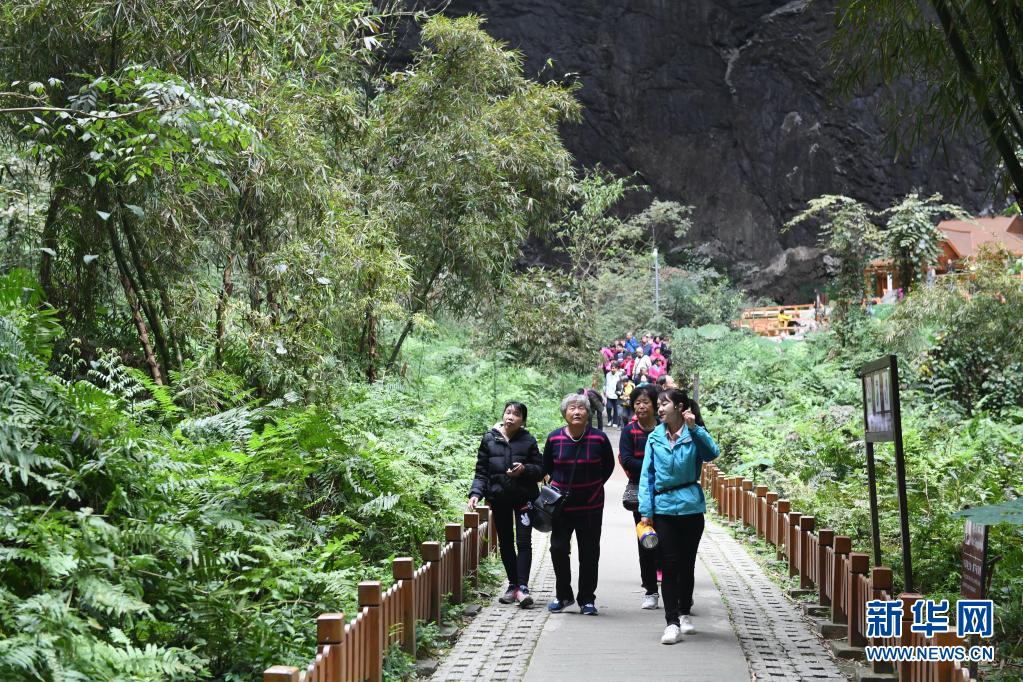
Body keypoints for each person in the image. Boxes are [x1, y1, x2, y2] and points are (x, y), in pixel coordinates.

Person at [639, 389, 720, 645]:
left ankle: (685, 612)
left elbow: (712, 453)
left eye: (665, 404)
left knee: (687, 565)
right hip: (663, 508)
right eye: (659, 404)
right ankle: (671, 622)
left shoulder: (693, 434)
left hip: (691, 508)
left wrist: (694, 429)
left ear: (680, 406)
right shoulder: (654, 438)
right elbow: (647, 477)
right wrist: (646, 512)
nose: (660, 408)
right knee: (669, 565)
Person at [543, 393, 616, 615]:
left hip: (591, 506)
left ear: (588, 413)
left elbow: (608, 467)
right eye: (572, 408)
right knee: (558, 548)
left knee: (589, 552)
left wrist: (592, 487)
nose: (577, 412)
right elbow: (547, 467)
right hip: (561, 507)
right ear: (564, 413)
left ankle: (587, 599)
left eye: (581, 408)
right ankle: (564, 595)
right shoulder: (554, 438)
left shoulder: (599, 438)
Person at [469, 402, 544, 607]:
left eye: (516, 414)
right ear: (503, 415)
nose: (511, 417)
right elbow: (481, 472)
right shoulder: (489, 439)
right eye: (508, 412)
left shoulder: (528, 441)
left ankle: (523, 587)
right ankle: (513, 585)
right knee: (506, 543)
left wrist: (525, 469)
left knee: (523, 542)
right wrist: (476, 493)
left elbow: (540, 469)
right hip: (499, 498)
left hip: (524, 499)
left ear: (523, 420)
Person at [617, 384, 661, 608]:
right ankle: (650, 590)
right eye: (637, 403)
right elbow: (626, 460)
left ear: (655, 405)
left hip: (665, 492)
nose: (641, 406)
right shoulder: (629, 431)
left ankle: (676, 589)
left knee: (668, 542)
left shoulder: (664, 428)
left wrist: (645, 466)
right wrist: (652, 467)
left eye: (646, 402)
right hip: (640, 492)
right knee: (646, 540)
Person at [603, 362, 623, 428]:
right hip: (609, 394)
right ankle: (609, 420)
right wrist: (604, 390)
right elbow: (605, 383)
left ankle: (615, 422)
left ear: (617, 369)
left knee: (616, 409)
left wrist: (620, 392)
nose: (612, 369)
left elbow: (621, 384)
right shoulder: (607, 374)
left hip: (616, 395)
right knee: (608, 407)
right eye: (611, 368)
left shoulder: (619, 375)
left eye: (614, 368)